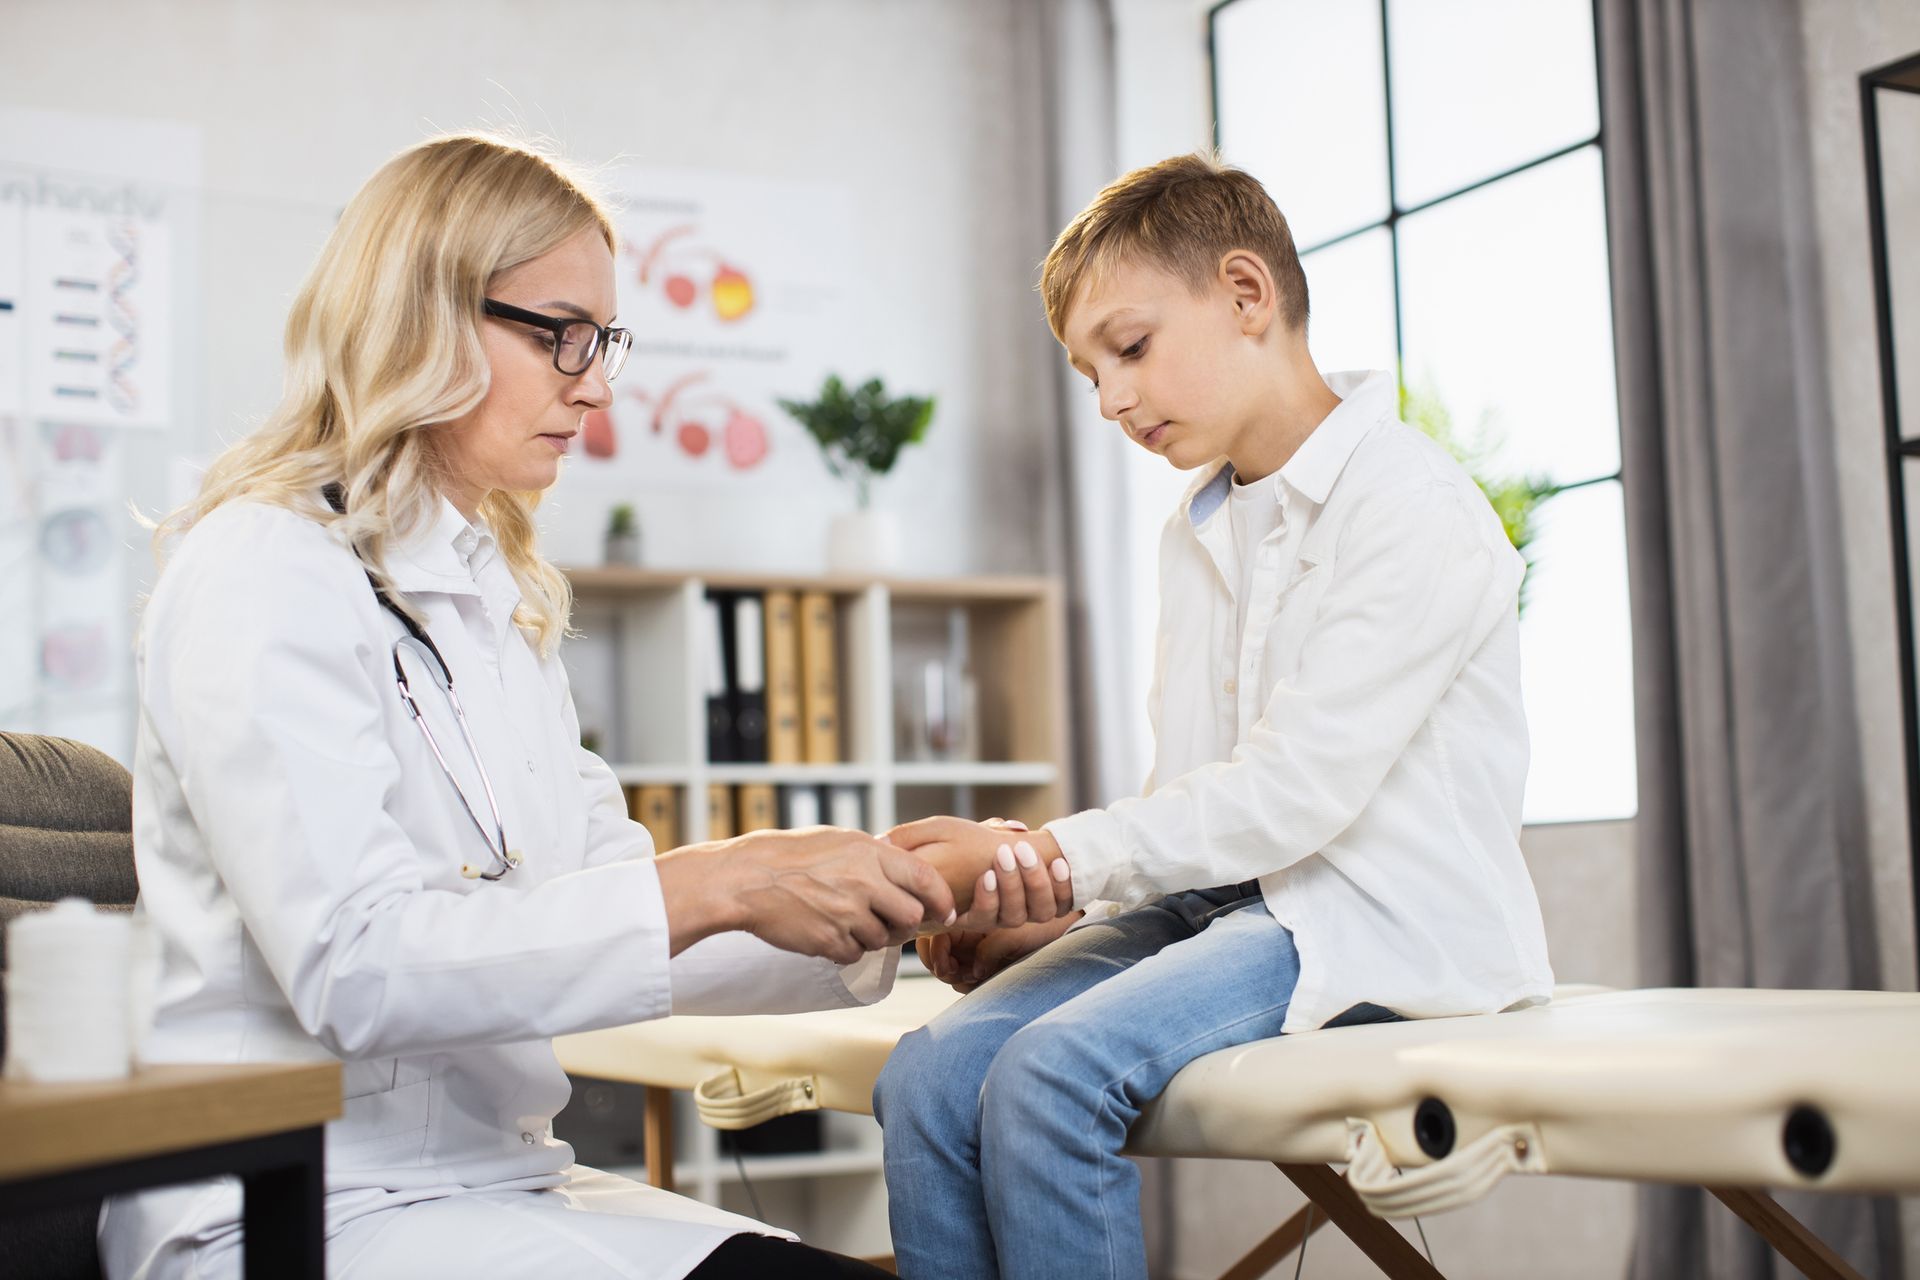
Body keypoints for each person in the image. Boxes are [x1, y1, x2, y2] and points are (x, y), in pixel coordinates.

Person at [103, 131, 1065, 1280]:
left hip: (489, 1183)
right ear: (420, 314)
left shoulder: (489, 598)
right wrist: (721, 877)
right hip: (292, 1205)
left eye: (602, 338)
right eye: (560, 333)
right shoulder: (263, 569)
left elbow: (617, 920)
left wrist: (899, 902)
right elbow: (355, 966)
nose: (596, 383)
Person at [875, 151, 1555, 1280]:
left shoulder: (1413, 505)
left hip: (1363, 917)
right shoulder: (1195, 524)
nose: (1112, 400)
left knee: (1050, 1078)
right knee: (928, 1075)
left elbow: (1293, 795)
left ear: (1248, 294)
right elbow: (1197, 795)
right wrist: (1053, 912)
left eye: (1129, 349)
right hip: (1228, 910)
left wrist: (1038, 850)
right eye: (1091, 373)